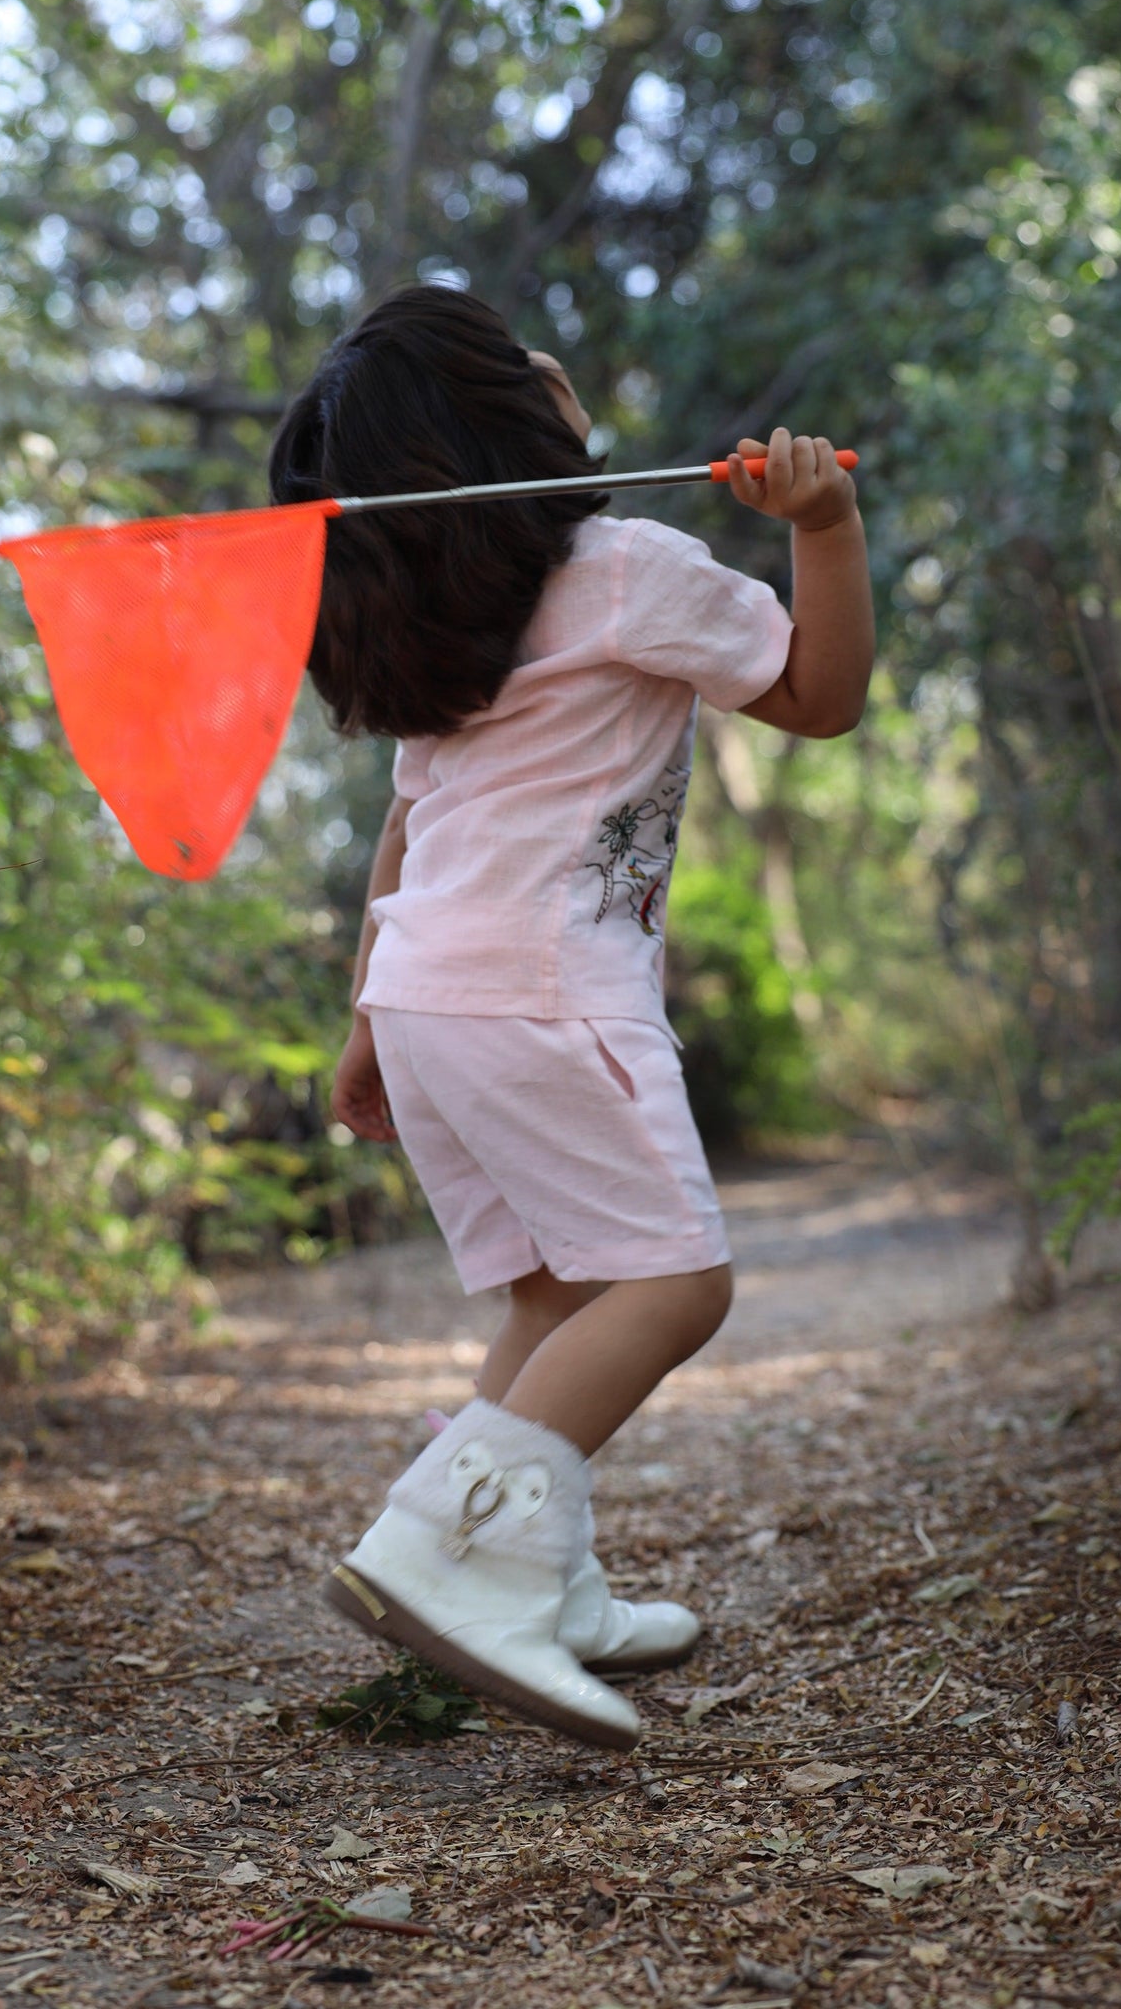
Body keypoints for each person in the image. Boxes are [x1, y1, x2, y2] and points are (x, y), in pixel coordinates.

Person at [269, 285, 874, 1750]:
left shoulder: (442, 626)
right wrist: (823, 533)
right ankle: (439, 1550)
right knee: (676, 1286)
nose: (554, 364)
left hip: (427, 995)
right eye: (519, 361)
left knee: (551, 1296)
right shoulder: (621, 569)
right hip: (542, 992)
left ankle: (542, 1586)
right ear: (501, 429)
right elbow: (819, 695)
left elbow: (404, 843)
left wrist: (368, 1025)